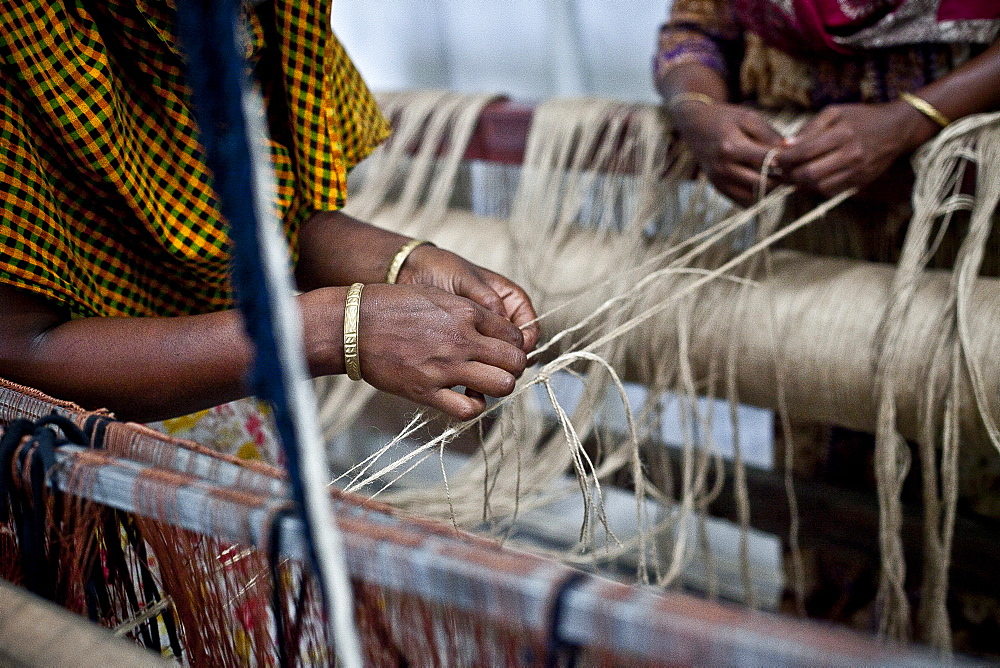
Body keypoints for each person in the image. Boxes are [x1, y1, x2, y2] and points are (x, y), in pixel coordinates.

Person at [0, 0, 539, 434]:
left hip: (222, 429)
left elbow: (249, 222)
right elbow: (17, 353)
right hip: (48, 476)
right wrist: (334, 328)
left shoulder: (270, 17)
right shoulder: (21, 35)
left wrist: (403, 261)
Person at [654, 0, 1000, 207]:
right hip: (802, 224)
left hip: (967, 212)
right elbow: (694, 29)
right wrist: (697, 110)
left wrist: (910, 120)